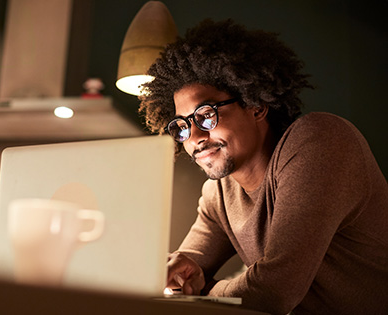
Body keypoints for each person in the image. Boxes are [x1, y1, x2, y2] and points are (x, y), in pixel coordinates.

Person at [139, 19, 388, 315]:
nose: (194, 137)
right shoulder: (218, 195)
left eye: (206, 115)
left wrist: (206, 290)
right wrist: (180, 281)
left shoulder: (320, 141)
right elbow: (180, 275)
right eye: (181, 127)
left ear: (255, 104)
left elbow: (272, 292)